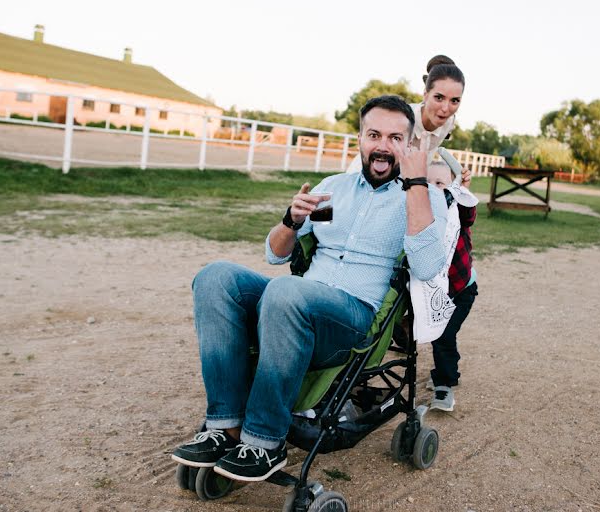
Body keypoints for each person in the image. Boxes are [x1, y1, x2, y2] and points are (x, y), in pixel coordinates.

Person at [171, 95, 449, 482]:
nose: (383, 145)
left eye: (394, 137)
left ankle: (264, 442)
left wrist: (417, 181)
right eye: (374, 135)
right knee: (215, 277)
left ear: (408, 144)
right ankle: (225, 427)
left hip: (352, 317)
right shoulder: (335, 189)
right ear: (360, 140)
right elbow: (275, 253)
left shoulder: (423, 196)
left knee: (288, 293)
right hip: (297, 305)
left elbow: (427, 266)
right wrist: (291, 220)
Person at [347, 55, 471, 184]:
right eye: (439, 98)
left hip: (411, 181)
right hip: (370, 173)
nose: (446, 108)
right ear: (425, 94)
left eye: (454, 101)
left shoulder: (449, 122)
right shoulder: (403, 118)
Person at [424, 159, 479, 412]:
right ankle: (446, 370)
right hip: (436, 288)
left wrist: (464, 189)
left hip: (461, 289)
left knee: (443, 334)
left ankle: (444, 383)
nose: (433, 189)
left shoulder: (458, 208)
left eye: (440, 184)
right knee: (437, 333)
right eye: (428, 183)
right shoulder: (422, 215)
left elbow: (469, 214)